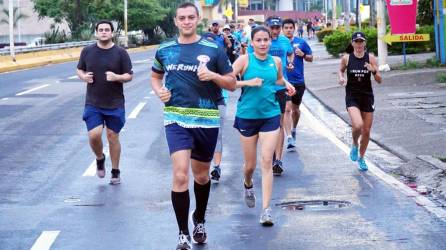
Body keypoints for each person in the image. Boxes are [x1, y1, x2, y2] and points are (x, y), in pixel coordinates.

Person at [150, 3, 236, 250]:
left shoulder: (213, 49)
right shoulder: (165, 49)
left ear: (198, 20)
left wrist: (213, 77)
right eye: (181, 18)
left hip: (206, 119)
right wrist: (159, 91)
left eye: (191, 17)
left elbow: (231, 83)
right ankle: (182, 234)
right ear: (175, 21)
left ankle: (199, 219)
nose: (186, 21)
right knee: (179, 175)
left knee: (200, 175)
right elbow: (155, 76)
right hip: (176, 118)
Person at [233, 26, 295, 226]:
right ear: (252, 42)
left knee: (267, 161)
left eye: (265, 40)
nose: (262, 43)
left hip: (270, 114)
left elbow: (276, 78)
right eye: (258, 40)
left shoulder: (275, 61)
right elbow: (227, 82)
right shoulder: (244, 60)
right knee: (250, 166)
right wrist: (248, 83)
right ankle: (248, 184)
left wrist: (286, 84)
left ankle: (266, 210)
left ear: (270, 41)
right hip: (247, 116)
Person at [76, 20, 133, 185]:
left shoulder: (121, 53)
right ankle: (100, 158)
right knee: (94, 135)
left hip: (115, 103)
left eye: (107, 30)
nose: (103, 32)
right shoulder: (87, 51)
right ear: (96, 32)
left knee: (112, 136)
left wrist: (117, 77)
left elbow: (129, 75)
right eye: (100, 30)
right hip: (93, 102)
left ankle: (115, 171)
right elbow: (79, 68)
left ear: (112, 33)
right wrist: (83, 77)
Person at [254, 16, 293, 176]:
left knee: (279, 123)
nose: (276, 31)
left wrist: (290, 63)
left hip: (279, 88)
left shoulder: (284, 42)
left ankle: (278, 160)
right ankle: (266, 156)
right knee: (263, 125)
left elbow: (290, 54)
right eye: (273, 28)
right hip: (262, 90)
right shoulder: (260, 42)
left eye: (278, 28)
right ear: (267, 27)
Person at [338, 31, 382, 171]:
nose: (359, 44)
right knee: (358, 125)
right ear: (352, 43)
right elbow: (341, 70)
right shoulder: (347, 58)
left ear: (365, 43)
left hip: (367, 96)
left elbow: (379, 80)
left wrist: (373, 71)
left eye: (361, 42)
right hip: (352, 96)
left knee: (367, 131)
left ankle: (362, 158)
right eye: (356, 42)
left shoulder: (371, 58)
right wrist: (341, 77)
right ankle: (355, 145)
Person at [282, 19, 313, 153]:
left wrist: (304, 55)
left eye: (290, 27)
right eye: (286, 28)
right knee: (287, 109)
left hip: (299, 82)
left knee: (295, 109)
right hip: (284, 81)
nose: (288, 30)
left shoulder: (301, 42)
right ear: (283, 29)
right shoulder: (279, 43)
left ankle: (293, 129)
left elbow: (311, 58)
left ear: (294, 28)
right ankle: (289, 138)